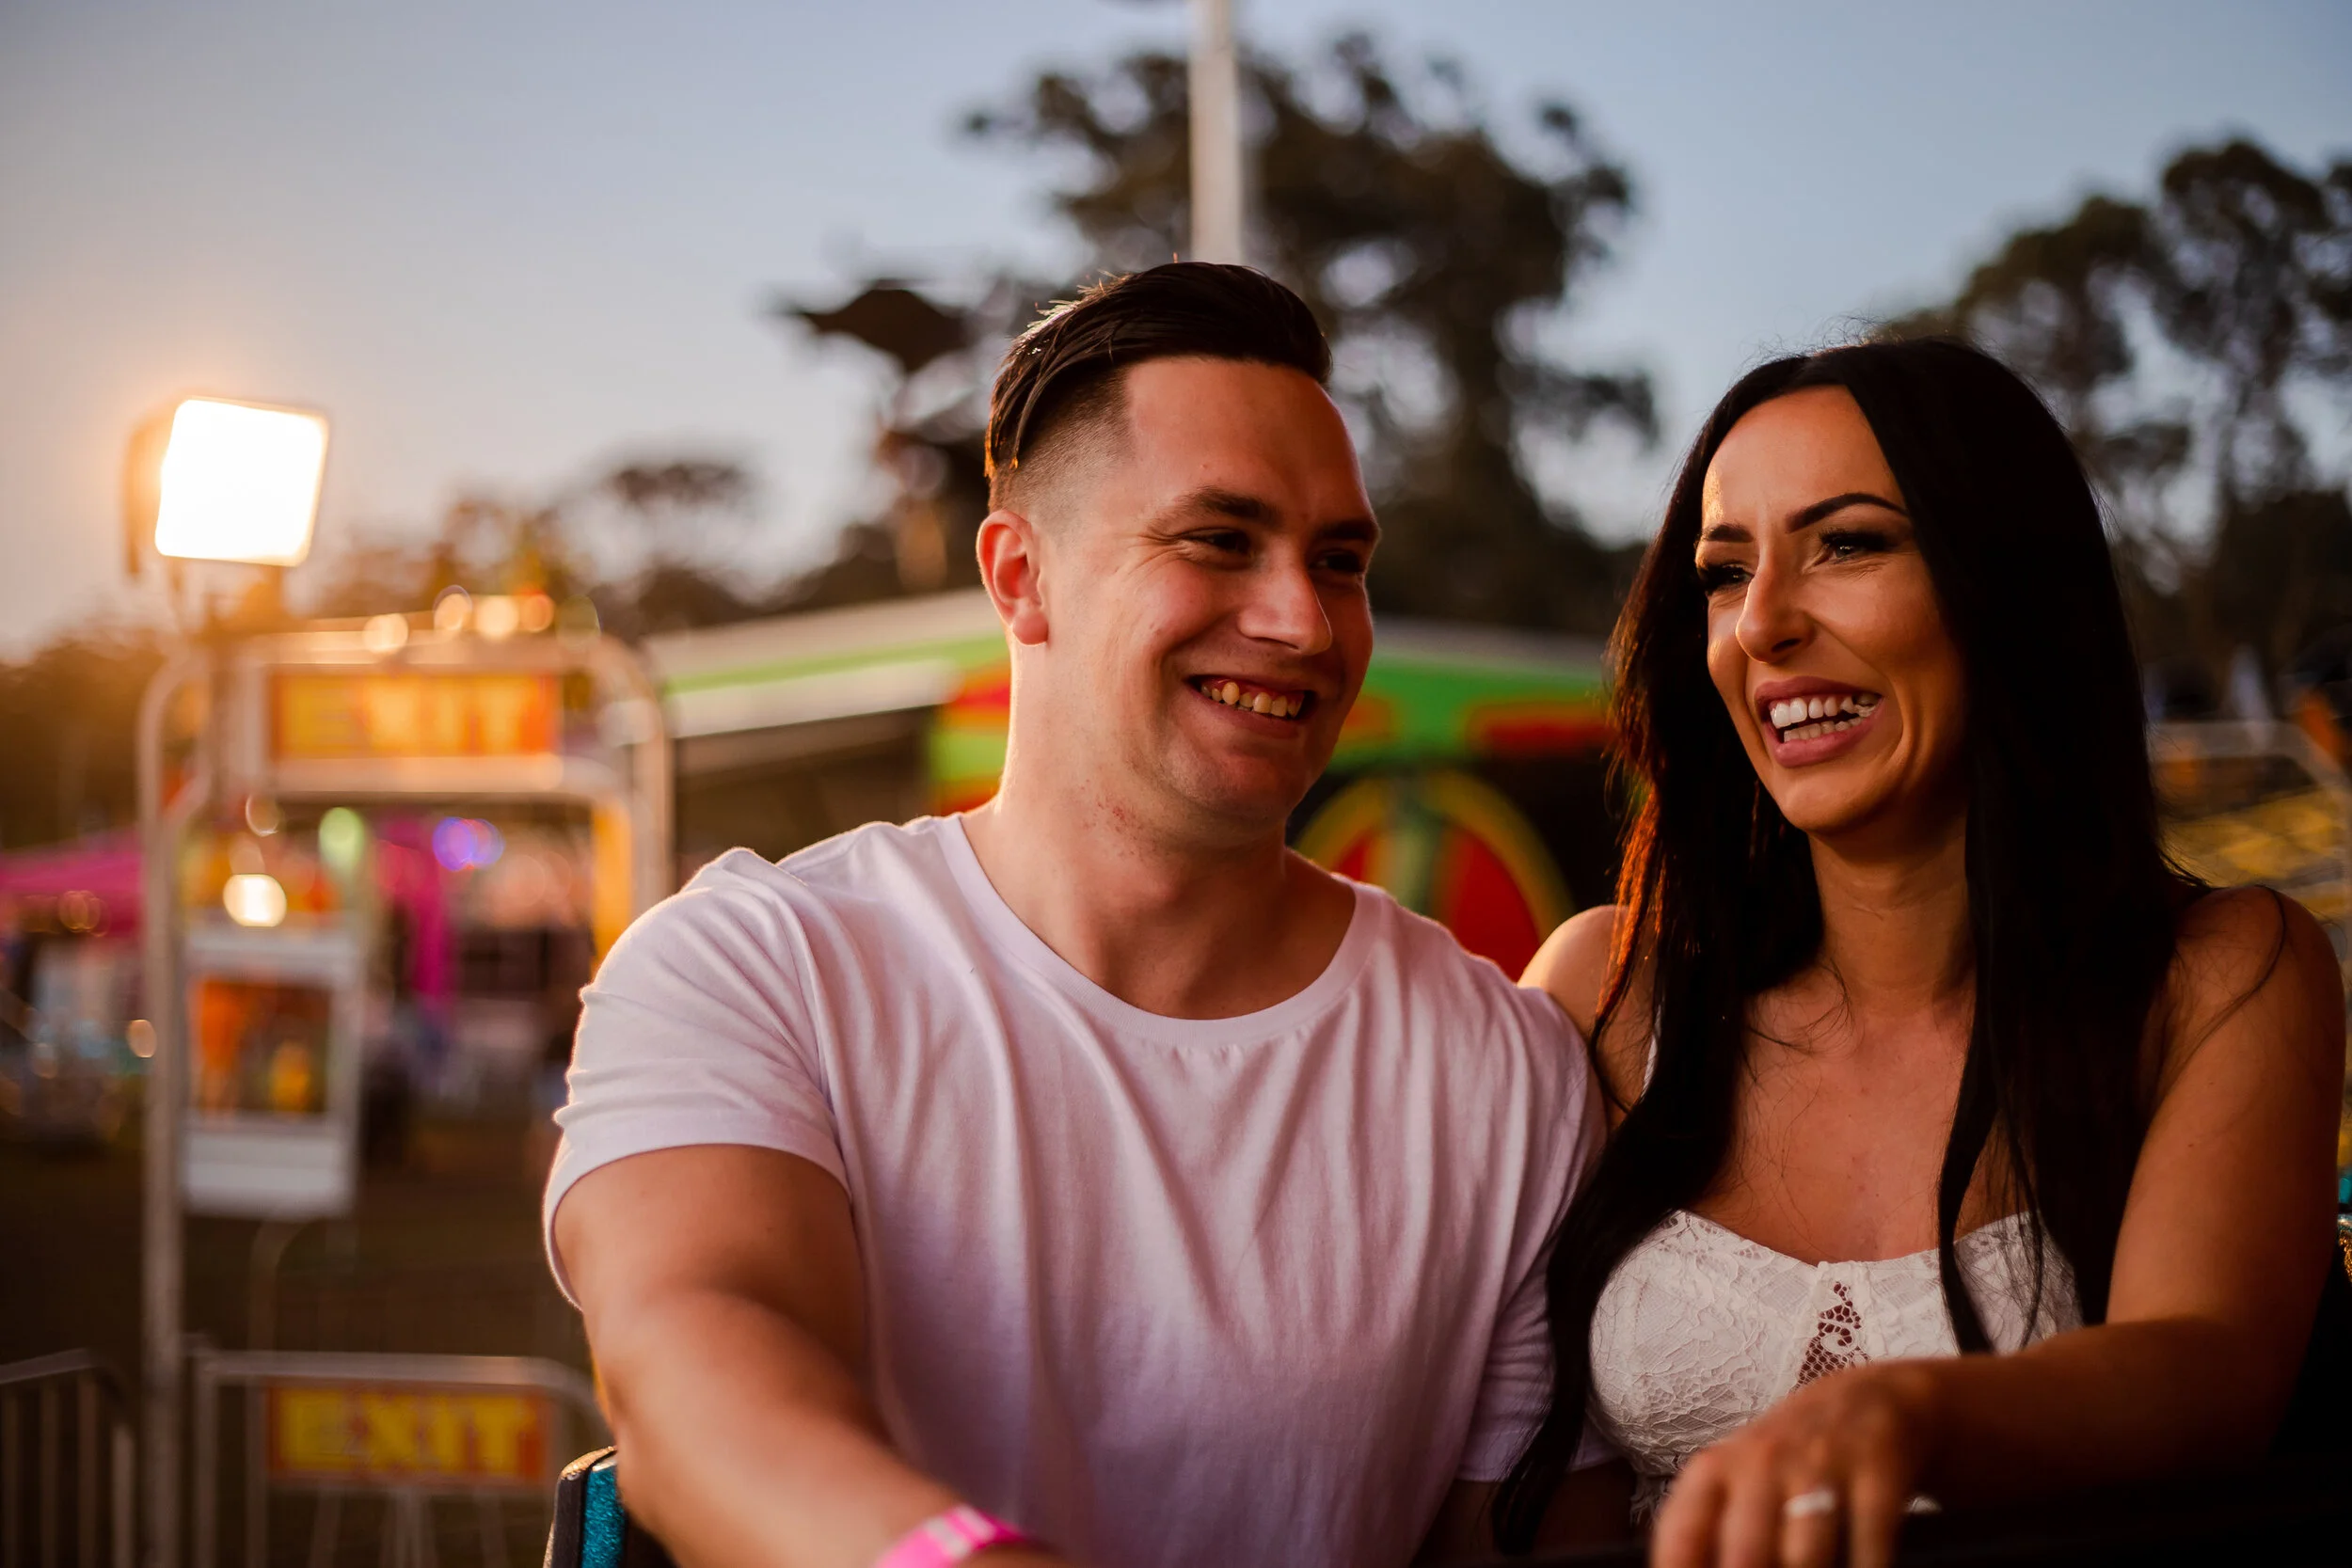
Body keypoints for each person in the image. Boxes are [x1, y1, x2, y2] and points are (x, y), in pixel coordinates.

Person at [545, 262, 1607, 1568]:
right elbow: (698, 1380)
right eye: (1218, 539)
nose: (1303, 621)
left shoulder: (1505, 1067)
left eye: (1339, 562)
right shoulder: (759, 969)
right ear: (1020, 574)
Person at [1494, 337, 2346, 1568]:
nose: (1764, 623)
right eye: (1725, 572)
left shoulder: (2225, 974)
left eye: (1848, 543)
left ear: (2005, 589)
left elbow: (2209, 1373)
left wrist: (1908, 1415)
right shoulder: (1602, 989)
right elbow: (1504, 1456)